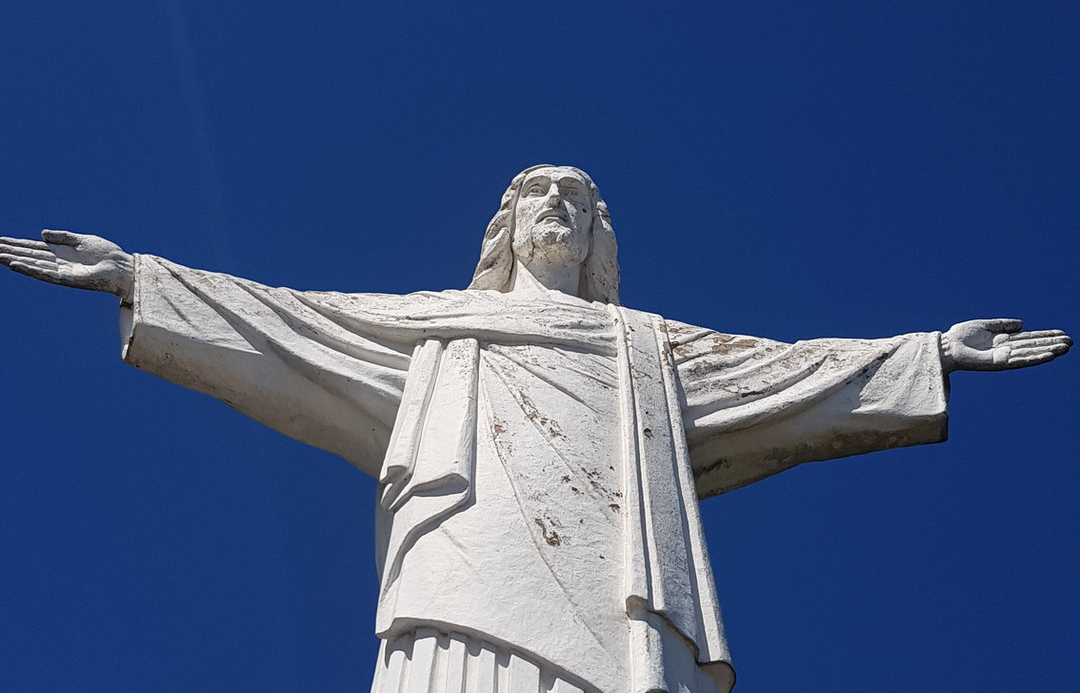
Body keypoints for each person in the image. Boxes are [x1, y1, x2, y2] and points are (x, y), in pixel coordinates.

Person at [0, 165, 1070, 693]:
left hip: (615, 595)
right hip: (463, 579)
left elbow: (785, 375)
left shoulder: (649, 351)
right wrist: (139, 277)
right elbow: (289, 320)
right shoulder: (433, 325)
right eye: (536, 191)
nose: (558, 199)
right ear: (504, 228)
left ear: (599, 237)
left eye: (579, 196)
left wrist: (929, 351)